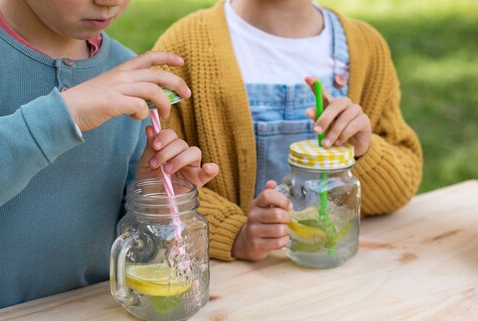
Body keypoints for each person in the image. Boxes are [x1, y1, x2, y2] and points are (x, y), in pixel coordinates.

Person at [0, 0, 219, 321]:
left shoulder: (125, 75)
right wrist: (67, 114)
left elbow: (130, 246)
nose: (109, 2)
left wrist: (152, 201)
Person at [153, 0, 423, 261]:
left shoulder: (367, 47)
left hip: (339, 272)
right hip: (235, 285)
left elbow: (400, 188)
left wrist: (362, 152)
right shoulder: (183, 47)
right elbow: (156, 183)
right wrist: (236, 233)